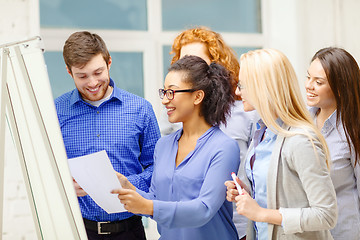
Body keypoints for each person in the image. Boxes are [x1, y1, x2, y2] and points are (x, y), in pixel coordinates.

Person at [112, 55, 240, 240]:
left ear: (197, 96)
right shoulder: (163, 145)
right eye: (163, 92)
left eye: (171, 92)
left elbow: (204, 209)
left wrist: (148, 206)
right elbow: (156, 198)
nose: (164, 100)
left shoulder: (224, 148)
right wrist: (127, 187)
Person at [55, 31, 161, 240]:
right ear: (69, 72)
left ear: (109, 62)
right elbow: (44, 168)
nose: (93, 82)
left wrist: (127, 183)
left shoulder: (141, 110)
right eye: (82, 76)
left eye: (98, 72)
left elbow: (158, 168)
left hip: (129, 231)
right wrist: (64, 183)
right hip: (78, 231)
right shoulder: (56, 111)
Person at [225, 49, 337, 239]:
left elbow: (326, 214)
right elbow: (277, 194)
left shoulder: (300, 140)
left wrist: (261, 214)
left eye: (242, 85)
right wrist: (246, 193)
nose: (237, 91)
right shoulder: (261, 132)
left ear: (262, 87)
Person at [170, 27, 257, 238]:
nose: (190, 67)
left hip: (237, 226)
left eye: (197, 60)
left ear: (215, 65)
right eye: (184, 61)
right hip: (191, 228)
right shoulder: (175, 115)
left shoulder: (244, 112)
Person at [305, 47, 360, 239]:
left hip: (343, 232)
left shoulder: (352, 131)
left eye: (318, 82)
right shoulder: (302, 122)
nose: (309, 86)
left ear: (339, 86)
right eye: (308, 77)